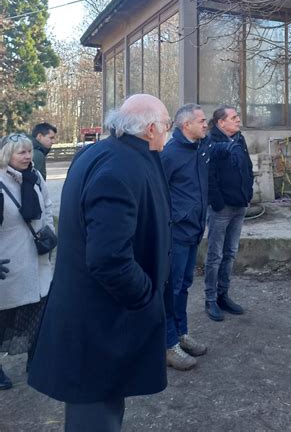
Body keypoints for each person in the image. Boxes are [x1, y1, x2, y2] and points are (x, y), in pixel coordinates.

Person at [28, 94, 172, 432]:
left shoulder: (105, 153)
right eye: (166, 126)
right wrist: (145, 296)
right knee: (94, 414)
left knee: (104, 402)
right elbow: (109, 258)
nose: (168, 133)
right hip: (99, 322)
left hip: (98, 318)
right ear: (150, 129)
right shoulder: (119, 167)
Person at [0, 133, 55, 391]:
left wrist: (49, 233)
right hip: (9, 264)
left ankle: (37, 360)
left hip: (38, 258)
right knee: (5, 318)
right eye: (19, 152)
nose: (26, 156)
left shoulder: (35, 177)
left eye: (27, 151)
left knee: (40, 312)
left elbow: (47, 204)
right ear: (6, 155)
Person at [160, 104, 211, 371]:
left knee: (185, 284)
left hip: (194, 229)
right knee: (173, 287)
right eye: (201, 121)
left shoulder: (199, 149)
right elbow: (159, 194)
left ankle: (181, 333)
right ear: (186, 125)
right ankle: (168, 345)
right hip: (176, 233)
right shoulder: (170, 154)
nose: (206, 124)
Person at [204, 105, 254, 321]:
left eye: (238, 116)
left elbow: (247, 168)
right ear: (220, 122)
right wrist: (217, 203)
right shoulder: (211, 142)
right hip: (221, 208)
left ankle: (224, 295)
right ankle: (210, 299)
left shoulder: (240, 140)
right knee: (215, 256)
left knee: (230, 253)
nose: (238, 120)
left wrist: (248, 193)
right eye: (234, 117)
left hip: (239, 205)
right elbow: (208, 175)